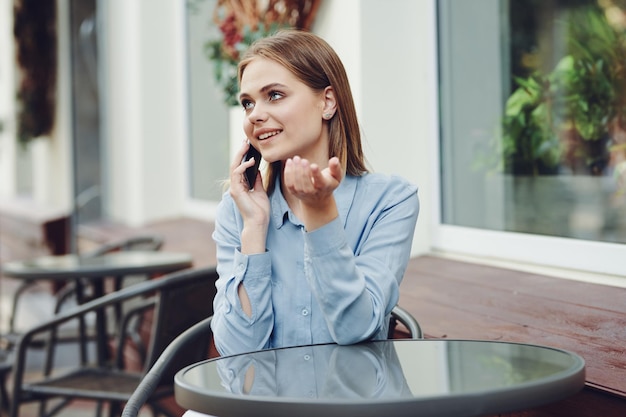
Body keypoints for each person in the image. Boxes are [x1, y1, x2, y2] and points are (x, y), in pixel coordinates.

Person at [211, 29, 419, 356]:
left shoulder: (390, 201)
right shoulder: (237, 209)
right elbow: (236, 351)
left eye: (275, 95)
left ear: (327, 101)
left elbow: (356, 328)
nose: (255, 115)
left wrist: (320, 214)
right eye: (248, 103)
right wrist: (253, 230)